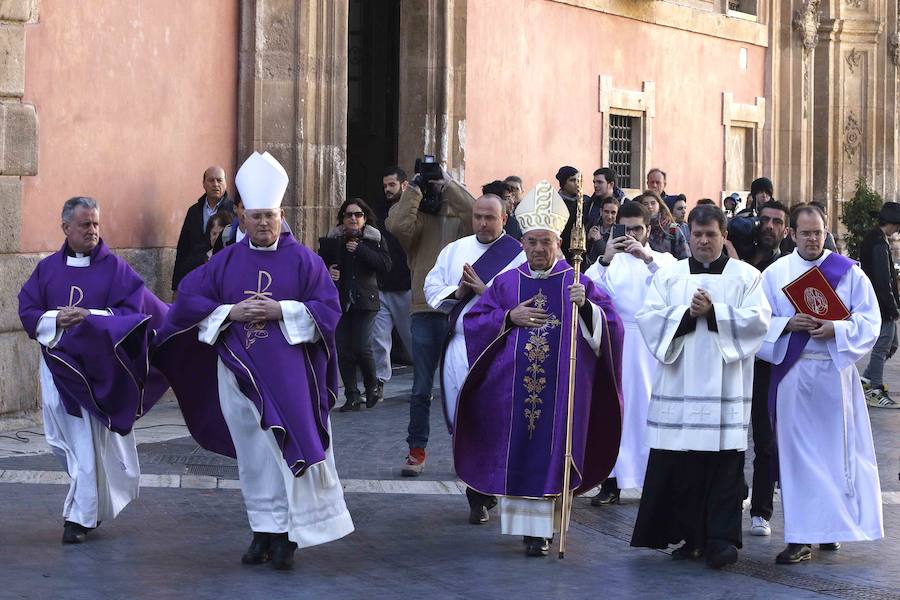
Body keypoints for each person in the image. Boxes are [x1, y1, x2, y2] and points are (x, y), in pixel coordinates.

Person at [154, 152, 353, 570]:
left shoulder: (305, 261)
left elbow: (330, 309)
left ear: (282, 215)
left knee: (286, 453)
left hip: (290, 377)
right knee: (254, 457)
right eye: (257, 216)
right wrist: (230, 313)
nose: (264, 223)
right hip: (238, 376)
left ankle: (288, 537)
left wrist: (284, 311)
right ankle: (263, 531)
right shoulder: (224, 262)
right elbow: (188, 301)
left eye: (272, 215)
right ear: (242, 216)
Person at [453, 180, 623, 557]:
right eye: (531, 242)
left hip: (562, 393)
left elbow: (611, 328)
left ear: (559, 243)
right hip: (513, 391)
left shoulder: (578, 282)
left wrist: (588, 309)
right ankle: (526, 529)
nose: (538, 249)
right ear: (523, 243)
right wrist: (509, 316)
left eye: (546, 241)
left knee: (553, 453)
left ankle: (544, 531)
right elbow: (476, 320)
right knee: (521, 451)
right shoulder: (508, 282)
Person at [18, 196, 168, 544]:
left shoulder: (115, 268)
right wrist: (56, 318)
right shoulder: (47, 270)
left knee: (85, 442)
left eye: (96, 224)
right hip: (58, 368)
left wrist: (91, 317)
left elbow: (132, 312)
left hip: (98, 372)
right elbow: (28, 309)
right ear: (66, 228)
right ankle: (91, 507)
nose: (93, 231)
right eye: (85, 225)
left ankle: (79, 517)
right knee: (61, 440)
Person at [631, 204, 771, 569]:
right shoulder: (669, 276)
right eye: (697, 234)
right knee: (683, 468)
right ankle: (691, 538)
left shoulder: (746, 277)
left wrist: (715, 313)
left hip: (726, 390)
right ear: (688, 235)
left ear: (724, 236)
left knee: (725, 467)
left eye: (711, 234)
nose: (704, 241)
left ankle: (721, 540)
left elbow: (759, 322)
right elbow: (648, 318)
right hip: (680, 387)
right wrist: (685, 315)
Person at [758, 204, 883, 564]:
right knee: (798, 459)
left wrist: (837, 329)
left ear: (825, 231)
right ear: (792, 234)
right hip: (794, 376)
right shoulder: (776, 273)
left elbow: (870, 321)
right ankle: (800, 536)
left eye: (818, 232)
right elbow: (758, 321)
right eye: (805, 232)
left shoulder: (849, 274)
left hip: (834, 374)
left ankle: (829, 529)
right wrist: (786, 325)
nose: (812, 239)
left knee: (833, 456)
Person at [424, 194, 524, 525]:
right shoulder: (455, 251)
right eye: (478, 216)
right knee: (465, 419)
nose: (482, 223)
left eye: (489, 218)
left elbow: (526, 301)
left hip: (499, 348)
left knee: (494, 420)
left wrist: (485, 291)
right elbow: (431, 286)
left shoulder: (519, 255)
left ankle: (489, 486)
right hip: (460, 345)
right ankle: (476, 493)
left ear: (504, 218)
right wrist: (458, 293)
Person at [585, 200, 676, 505]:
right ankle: (611, 483)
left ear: (648, 229)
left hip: (653, 348)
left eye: (639, 229)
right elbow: (586, 292)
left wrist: (647, 259)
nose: (633, 235)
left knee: (651, 414)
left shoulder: (663, 259)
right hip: (618, 343)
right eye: (627, 229)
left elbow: (675, 289)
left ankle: (655, 481)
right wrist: (606, 259)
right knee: (617, 412)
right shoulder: (609, 261)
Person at [386, 168, 474, 476]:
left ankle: (468, 450)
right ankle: (416, 450)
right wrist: (416, 189)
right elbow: (396, 225)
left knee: (465, 384)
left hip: (461, 308)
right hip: (425, 309)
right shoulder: (415, 221)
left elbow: (477, 212)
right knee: (421, 388)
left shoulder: (459, 220)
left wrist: (448, 184)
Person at [736, 200, 790, 538]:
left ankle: (761, 510)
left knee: (766, 440)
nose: (769, 226)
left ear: (786, 230)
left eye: (777, 222)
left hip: (767, 364)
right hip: (734, 361)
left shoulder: (786, 269)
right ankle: (732, 496)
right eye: (765, 220)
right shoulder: (741, 257)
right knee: (730, 436)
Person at [321, 199, 392, 411]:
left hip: (366, 300)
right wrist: (328, 271)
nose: (353, 218)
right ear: (342, 219)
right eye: (349, 215)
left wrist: (360, 249)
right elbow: (319, 266)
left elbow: (385, 265)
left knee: (362, 346)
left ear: (365, 218)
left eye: (358, 214)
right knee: (344, 349)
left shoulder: (374, 239)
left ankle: (371, 388)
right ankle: (352, 394)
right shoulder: (333, 240)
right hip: (340, 300)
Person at [370, 167, 414, 399]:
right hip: (381, 285)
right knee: (379, 337)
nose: (387, 189)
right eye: (385, 185)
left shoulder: (416, 211)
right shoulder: (377, 211)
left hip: (406, 285)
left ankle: (423, 379)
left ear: (404, 185)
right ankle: (380, 380)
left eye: (392, 185)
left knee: (412, 338)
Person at [860, 202, 900, 408]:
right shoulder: (877, 242)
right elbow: (883, 280)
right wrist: (892, 309)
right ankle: (874, 389)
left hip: (881, 302)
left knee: (892, 344)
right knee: (883, 345)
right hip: (881, 304)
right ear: (893, 224)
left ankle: (865, 380)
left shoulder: (878, 238)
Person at [173, 166, 234, 292]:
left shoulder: (233, 211)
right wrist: (176, 286)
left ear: (226, 183)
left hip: (221, 278)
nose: (215, 184)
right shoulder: (194, 211)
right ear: (204, 184)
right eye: (211, 180)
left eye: (219, 180)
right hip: (193, 275)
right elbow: (183, 248)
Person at [556, 165, 595, 261]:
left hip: (583, 252)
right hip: (561, 251)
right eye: (572, 180)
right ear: (563, 183)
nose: (577, 184)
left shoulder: (587, 201)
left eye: (579, 180)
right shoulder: (555, 202)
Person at [636, 190, 689, 259]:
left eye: (653, 203)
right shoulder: (637, 228)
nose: (650, 206)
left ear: (659, 205)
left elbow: (685, 256)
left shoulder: (672, 227)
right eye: (645, 204)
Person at [585, 196, 619, 265]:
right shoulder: (592, 224)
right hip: (588, 269)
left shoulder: (619, 231)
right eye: (606, 212)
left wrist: (599, 240)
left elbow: (612, 256)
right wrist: (587, 238)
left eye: (613, 213)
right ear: (601, 211)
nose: (609, 216)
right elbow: (581, 251)